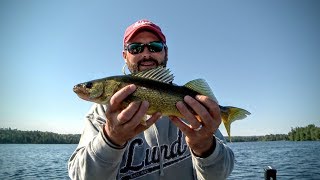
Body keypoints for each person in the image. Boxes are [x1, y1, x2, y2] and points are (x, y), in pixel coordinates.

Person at [68, 19, 234, 180]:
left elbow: (220, 175)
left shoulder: (194, 107)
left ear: (165, 52)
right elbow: (80, 176)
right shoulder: (100, 114)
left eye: (154, 47)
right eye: (135, 48)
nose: (146, 54)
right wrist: (110, 139)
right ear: (125, 56)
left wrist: (205, 147)